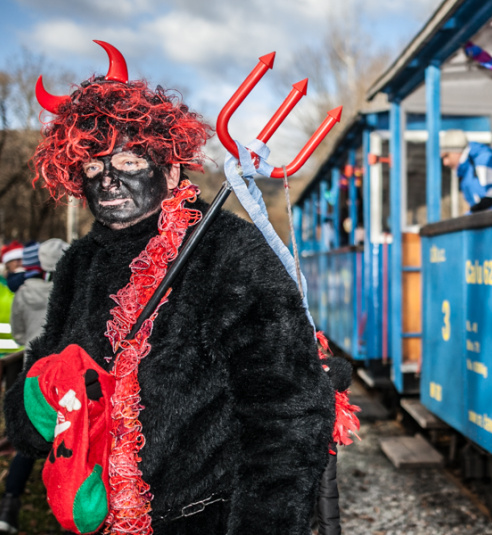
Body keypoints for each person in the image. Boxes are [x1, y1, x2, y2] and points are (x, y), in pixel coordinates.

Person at [4, 44, 335, 534]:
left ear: (172, 167)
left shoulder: (229, 251)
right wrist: (40, 401)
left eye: (129, 162)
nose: (109, 180)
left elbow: (287, 413)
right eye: (94, 168)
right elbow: (45, 369)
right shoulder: (80, 263)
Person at [0, 238, 69, 534]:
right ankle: (70, 515)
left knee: (27, 444)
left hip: (33, 379)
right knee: (70, 444)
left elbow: (17, 333)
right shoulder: (73, 293)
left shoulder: (24, 293)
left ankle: (8, 508)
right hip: (68, 382)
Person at [440, 129, 492, 213]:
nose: (445, 163)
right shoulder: (466, 171)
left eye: (446, 156)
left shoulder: (483, 161)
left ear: (456, 151)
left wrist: (471, 217)